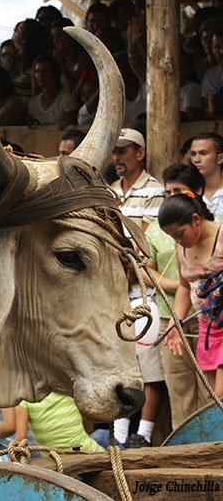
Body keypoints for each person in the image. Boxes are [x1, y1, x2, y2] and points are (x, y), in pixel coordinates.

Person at [141, 164, 208, 429]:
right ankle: (186, 450)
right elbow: (145, 267)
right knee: (179, 388)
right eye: (167, 192)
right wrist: (175, 289)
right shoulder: (161, 229)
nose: (172, 196)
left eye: (178, 190)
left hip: (209, 322)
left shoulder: (216, 231)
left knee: (210, 389)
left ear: (197, 192)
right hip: (172, 317)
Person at [110, 128, 165, 448]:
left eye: (123, 150)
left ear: (140, 153)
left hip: (144, 292)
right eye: (115, 151)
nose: (117, 157)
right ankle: (117, 438)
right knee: (118, 365)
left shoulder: (155, 190)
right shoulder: (110, 190)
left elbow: (144, 246)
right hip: (114, 292)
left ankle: (142, 437)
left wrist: (126, 267)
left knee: (150, 368)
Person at [162, 193, 223, 398]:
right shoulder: (181, 248)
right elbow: (184, 287)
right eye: (172, 237)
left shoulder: (221, 237)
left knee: (221, 395)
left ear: (196, 220)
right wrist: (175, 323)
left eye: (180, 233)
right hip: (206, 329)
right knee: (213, 401)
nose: (178, 240)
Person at [15, 392, 104, 453]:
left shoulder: (25, 400)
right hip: (87, 450)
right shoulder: (70, 391)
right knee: (102, 434)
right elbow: (89, 427)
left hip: (51, 457)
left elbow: (21, 439)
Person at [26, 54, 78, 127]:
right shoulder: (33, 102)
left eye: (45, 71)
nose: (40, 75)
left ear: (55, 73)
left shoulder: (67, 99)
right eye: (37, 71)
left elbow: (70, 127)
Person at [189, 132, 223, 217]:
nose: (196, 160)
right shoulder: (187, 189)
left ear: (220, 158)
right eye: (193, 154)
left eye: (203, 153)